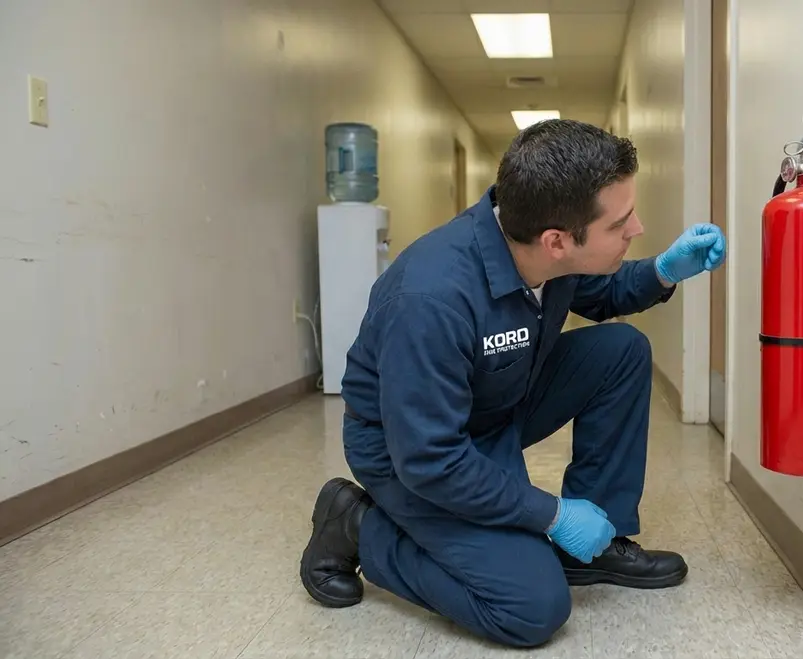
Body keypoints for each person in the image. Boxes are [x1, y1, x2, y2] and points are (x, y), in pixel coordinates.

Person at [299, 119, 727, 648]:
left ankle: (594, 546)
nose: (636, 229)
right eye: (620, 223)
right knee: (531, 606)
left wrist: (664, 270)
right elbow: (430, 460)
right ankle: (357, 526)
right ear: (557, 242)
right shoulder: (430, 300)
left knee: (621, 350)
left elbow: (602, 292)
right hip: (411, 452)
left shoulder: (537, 240)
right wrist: (551, 514)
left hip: (496, 402)